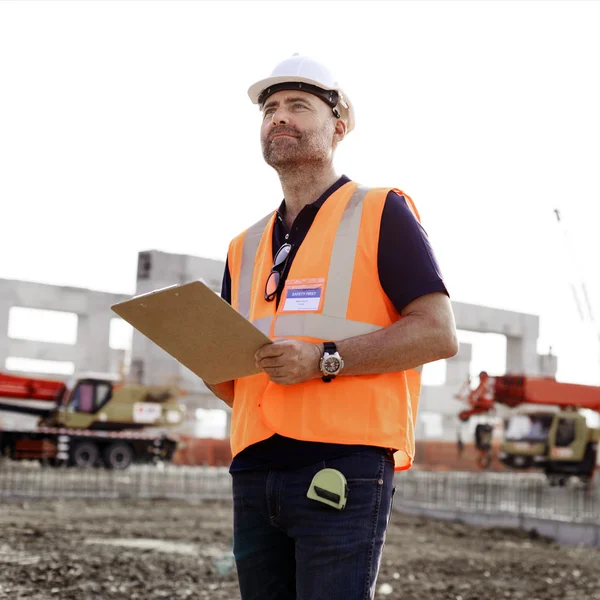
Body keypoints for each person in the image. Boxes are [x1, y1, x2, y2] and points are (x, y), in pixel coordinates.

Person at [204, 54, 458, 600]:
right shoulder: (242, 246)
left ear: (338, 125)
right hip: (254, 470)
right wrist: (207, 358)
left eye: (298, 105)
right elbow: (230, 372)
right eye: (270, 109)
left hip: (341, 467)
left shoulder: (381, 211)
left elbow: (438, 332)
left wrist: (323, 359)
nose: (279, 117)